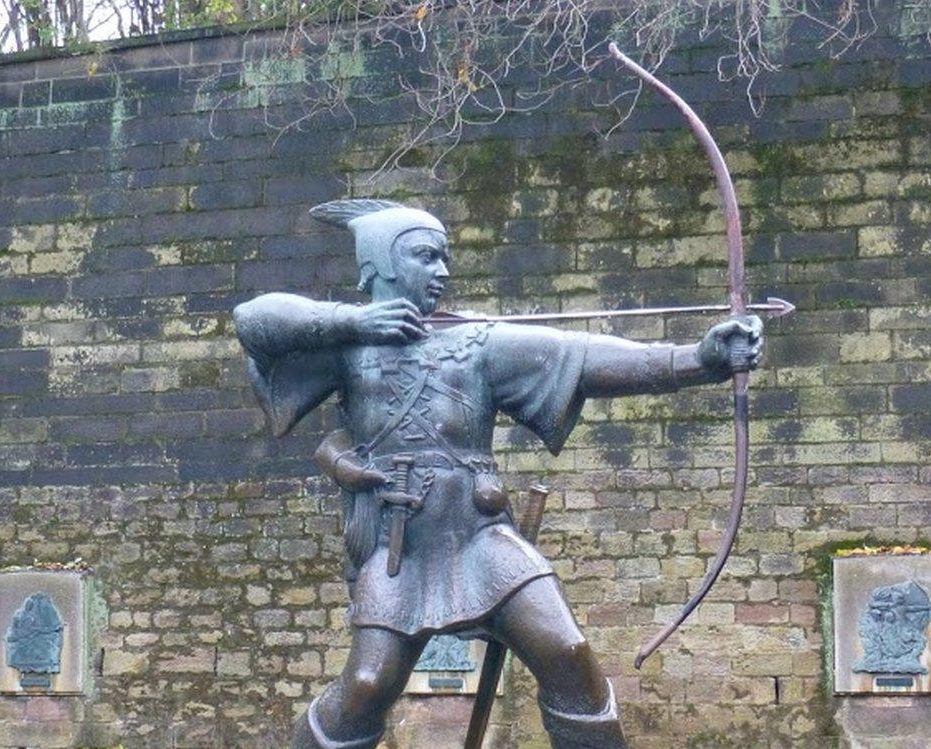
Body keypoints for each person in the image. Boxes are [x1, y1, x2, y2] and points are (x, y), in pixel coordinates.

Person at [233, 199, 764, 749]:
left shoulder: (477, 342)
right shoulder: (346, 345)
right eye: (425, 256)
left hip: (481, 536)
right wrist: (353, 321)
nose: (443, 271)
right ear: (381, 266)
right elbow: (252, 320)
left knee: (568, 653)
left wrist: (699, 361)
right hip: (398, 545)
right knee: (366, 686)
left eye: (444, 257)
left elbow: (583, 358)